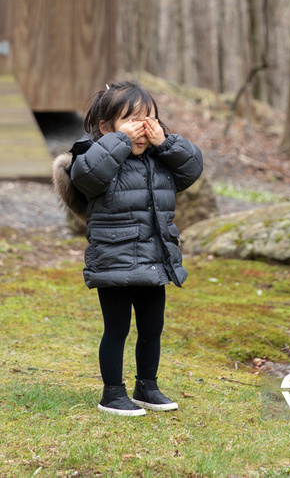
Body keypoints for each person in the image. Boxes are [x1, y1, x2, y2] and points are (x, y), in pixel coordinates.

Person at [53, 80, 203, 416]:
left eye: (149, 120)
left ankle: (147, 387)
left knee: (152, 327)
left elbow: (192, 168)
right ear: (106, 128)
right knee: (117, 329)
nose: (142, 129)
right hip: (114, 261)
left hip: (155, 258)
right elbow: (90, 175)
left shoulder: (159, 158)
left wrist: (165, 142)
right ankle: (112, 393)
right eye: (131, 121)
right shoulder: (89, 155)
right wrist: (118, 141)